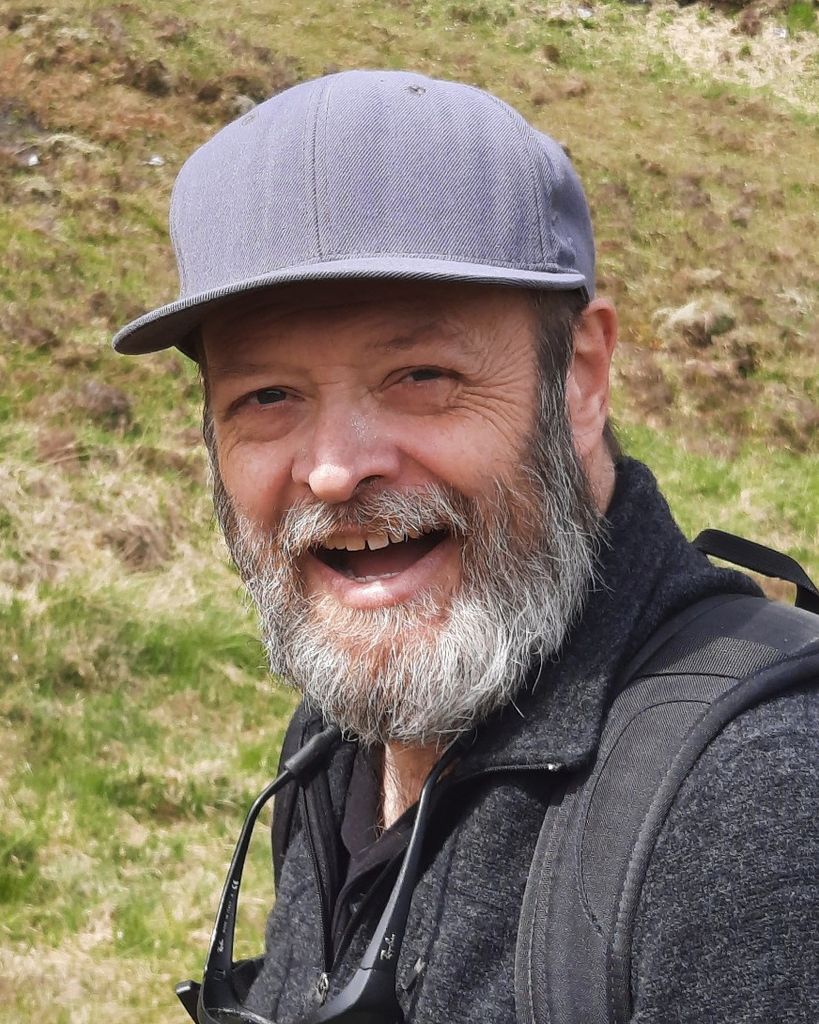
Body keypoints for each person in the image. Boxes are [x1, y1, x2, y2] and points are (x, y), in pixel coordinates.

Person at [113, 70, 817, 1024]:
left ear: (578, 378)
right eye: (267, 396)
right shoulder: (336, 745)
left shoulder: (758, 807)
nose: (334, 471)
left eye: (420, 375)